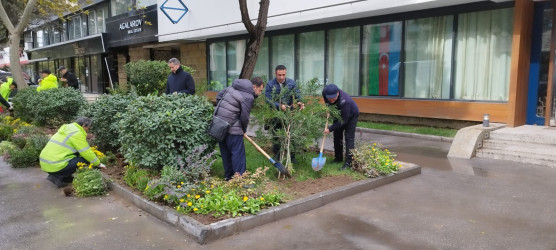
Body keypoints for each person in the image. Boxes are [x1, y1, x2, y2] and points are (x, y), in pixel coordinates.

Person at [214, 77, 264, 180]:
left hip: (219, 124)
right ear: (254, 87)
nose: (259, 94)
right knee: (238, 155)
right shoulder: (249, 97)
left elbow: (219, 96)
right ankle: (239, 180)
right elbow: (244, 117)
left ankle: (228, 177)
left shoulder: (232, 87)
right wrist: (243, 130)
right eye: (260, 90)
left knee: (226, 153)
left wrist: (225, 113)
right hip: (233, 128)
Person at [40, 117, 106, 188]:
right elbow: (86, 152)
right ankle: (58, 177)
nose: (88, 130)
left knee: (77, 155)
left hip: (46, 163)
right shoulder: (77, 133)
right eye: (88, 128)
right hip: (55, 165)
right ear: (83, 125)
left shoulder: (68, 129)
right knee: (85, 159)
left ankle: (61, 176)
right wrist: (98, 164)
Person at [265, 65, 304, 163]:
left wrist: (300, 102)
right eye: (279, 75)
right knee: (277, 135)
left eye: (283, 75)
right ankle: (277, 157)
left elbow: (297, 93)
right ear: (275, 74)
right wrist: (279, 105)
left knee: (290, 134)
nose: (282, 77)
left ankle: (292, 157)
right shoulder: (270, 84)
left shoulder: (291, 82)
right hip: (275, 113)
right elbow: (268, 100)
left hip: (289, 113)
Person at [322, 84, 359, 169]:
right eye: (329, 98)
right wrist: (329, 106)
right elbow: (326, 100)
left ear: (338, 93)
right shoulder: (325, 92)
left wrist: (330, 129)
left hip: (351, 115)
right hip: (338, 112)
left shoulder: (345, 101)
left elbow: (343, 121)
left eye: (333, 98)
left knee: (349, 137)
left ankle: (349, 163)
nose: (331, 100)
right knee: (337, 136)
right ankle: (338, 158)